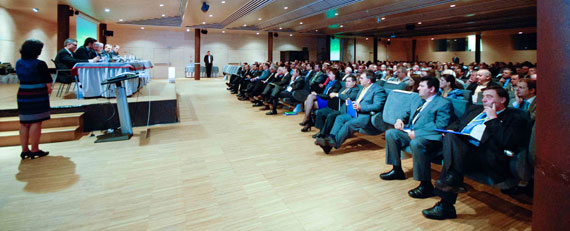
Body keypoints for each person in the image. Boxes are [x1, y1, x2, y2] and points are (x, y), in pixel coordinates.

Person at [422, 86, 530, 220]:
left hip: (486, 156)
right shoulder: (475, 109)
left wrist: (493, 119)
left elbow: (507, 142)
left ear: (502, 99)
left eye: (489, 97)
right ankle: (446, 204)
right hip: (463, 151)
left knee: (453, 161)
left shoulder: (515, 117)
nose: (484, 100)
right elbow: (457, 124)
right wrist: (449, 130)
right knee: (451, 137)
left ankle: (446, 196)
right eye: (483, 96)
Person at [380, 77, 452, 199]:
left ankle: (426, 185)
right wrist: (400, 119)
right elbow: (407, 112)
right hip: (412, 131)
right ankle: (397, 169)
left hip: (430, 137)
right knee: (391, 133)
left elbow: (440, 125)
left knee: (417, 143)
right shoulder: (420, 100)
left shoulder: (443, 103)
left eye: (422, 86)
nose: (418, 88)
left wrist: (418, 133)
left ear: (432, 89)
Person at [316, 70, 387, 154]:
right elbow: (358, 100)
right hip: (355, 112)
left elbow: (377, 106)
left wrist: (361, 107)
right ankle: (331, 137)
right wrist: (351, 102)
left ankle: (331, 144)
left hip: (365, 116)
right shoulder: (363, 88)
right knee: (340, 118)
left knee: (349, 124)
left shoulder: (378, 90)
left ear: (368, 80)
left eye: (361, 78)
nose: (359, 79)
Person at [15, 40, 53, 159]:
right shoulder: (39, 63)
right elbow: (48, 81)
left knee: (24, 122)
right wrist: (48, 90)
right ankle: (34, 149)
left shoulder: (19, 62)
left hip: (23, 92)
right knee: (36, 121)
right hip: (37, 93)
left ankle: (24, 149)